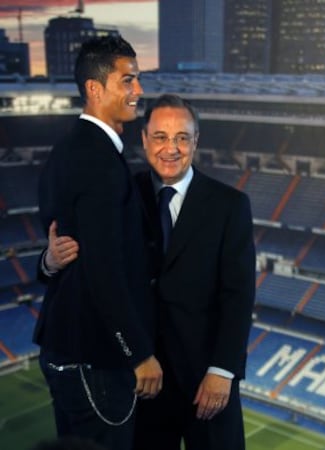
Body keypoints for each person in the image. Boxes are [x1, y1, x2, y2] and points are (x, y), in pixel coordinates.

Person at [43, 94, 256, 450]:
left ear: (195, 141)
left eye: (182, 137)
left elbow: (239, 294)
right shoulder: (122, 193)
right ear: (144, 140)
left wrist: (223, 370)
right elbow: (92, 265)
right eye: (160, 137)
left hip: (208, 382)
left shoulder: (230, 204)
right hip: (143, 382)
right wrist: (49, 262)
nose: (170, 148)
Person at [33, 36, 162, 450]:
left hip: (69, 349)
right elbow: (103, 267)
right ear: (95, 88)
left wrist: (48, 263)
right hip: (97, 358)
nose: (138, 91)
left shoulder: (69, 150)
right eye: (128, 81)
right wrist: (138, 352)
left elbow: (66, 243)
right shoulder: (98, 161)